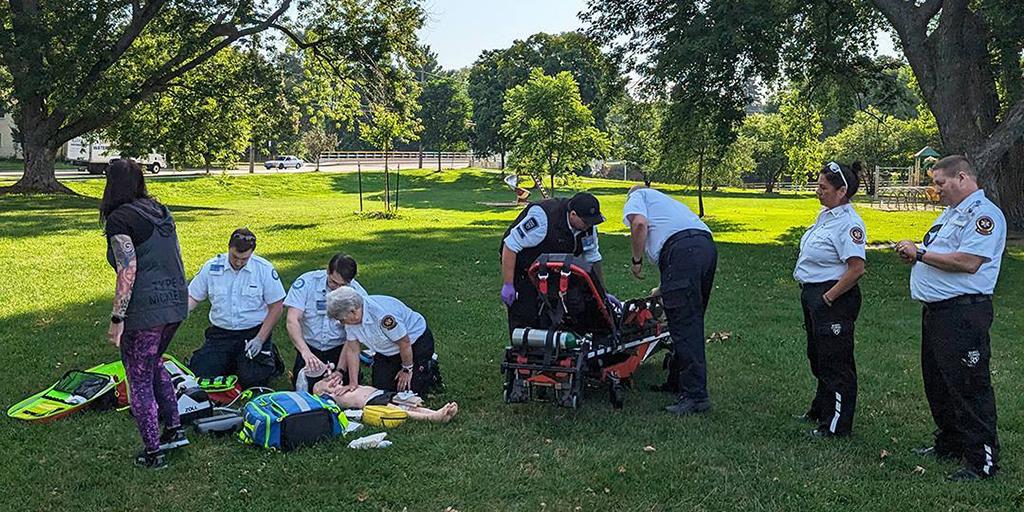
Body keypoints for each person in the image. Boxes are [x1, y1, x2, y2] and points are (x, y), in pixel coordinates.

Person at [895, 155, 1006, 481]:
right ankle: (950, 442)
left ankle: (981, 461)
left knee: (970, 387)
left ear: (962, 177)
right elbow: (936, 253)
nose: (936, 189)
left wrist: (921, 254)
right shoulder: (950, 215)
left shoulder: (984, 215)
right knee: (940, 383)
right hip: (939, 313)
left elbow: (970, 261)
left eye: (940, 183)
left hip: (964, 313)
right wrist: (916, 253)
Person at [100, 159, 189, 469]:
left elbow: (128, 270)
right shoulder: (159, 210)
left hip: (147, 311)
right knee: (153, 365)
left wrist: (117, 319)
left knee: (137, 378)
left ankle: (153, 453)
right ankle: (175, 430)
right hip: (176, 303)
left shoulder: (119, 218)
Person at [623, 184, 717, 415]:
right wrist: (665, 288)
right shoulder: (667, 203)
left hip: (682, 252)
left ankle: (695, 397)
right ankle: (677, 381)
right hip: (705, 247)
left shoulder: (638, 196)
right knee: (688, 318)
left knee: (684, 325)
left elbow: (639, 224)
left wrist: (636, 261)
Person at [793, 161, 867, 437]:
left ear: (841, 191)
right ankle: (821, 408)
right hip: (813, 293)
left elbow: (856, 268)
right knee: (818, 355)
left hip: (834, 296)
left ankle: (836, 425)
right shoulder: (826, 216)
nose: (818, 191)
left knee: (836, 361)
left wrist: (828, 298)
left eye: (823, 187)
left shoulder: (849, 223)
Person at [499, 192, 613, 333]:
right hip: (523, 267)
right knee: (526, 313)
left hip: (553, 267)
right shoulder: (542, 218)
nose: (589, 226)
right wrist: (508, 284)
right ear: (573, 214)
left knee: (566, 308)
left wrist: (602, 292)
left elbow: (592, 257)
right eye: (585, 222)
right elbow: (510, 246)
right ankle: (522, 351)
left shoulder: (588, 227)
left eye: (592, 222)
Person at [187, 228, 286, 388]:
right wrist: (181, 313)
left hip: (253, 333)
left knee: (253, 381)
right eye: (235, 257)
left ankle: (266, 355)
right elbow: (193, 297)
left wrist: (260, 339)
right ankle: (231, 361)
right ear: (228, 248)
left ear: (252, 253)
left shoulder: (263, 269)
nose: (239, 262)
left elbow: (276, 306)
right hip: (221, 334)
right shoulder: (212, 267)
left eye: (244, 258)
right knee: (200, 374)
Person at [326, 286, 441, 395]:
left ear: (353, 312)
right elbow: (352, 350)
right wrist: (353, 383)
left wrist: (407, 369)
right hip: (387, 350)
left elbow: (404, 343)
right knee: (381, 388)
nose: (341, 323)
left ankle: (428, 368)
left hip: (415, 343)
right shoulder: (351, 320)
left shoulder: (383, 316)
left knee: (410, 389)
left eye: (341, 319)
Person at [284, 253, 368, 390]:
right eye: (333, 282)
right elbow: (292, 320)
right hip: (310, 347)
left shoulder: (358, 294)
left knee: (343, 389)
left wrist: (340, 370)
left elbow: (353, 336)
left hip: (340, 349)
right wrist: (305, 352)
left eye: (342, 285)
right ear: (328, 271)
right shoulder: (307, 282)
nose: (336, 288)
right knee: (307, 388)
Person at [312, 373, 459, 423]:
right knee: (400, 411)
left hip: (382, 394)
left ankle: (435, 412)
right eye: (328, 385)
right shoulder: (332, 397)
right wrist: (323, 392)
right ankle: (432, 418)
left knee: (410, 405)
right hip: (372, 403)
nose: (334, 383)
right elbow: (324, 400)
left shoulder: (346, 386)